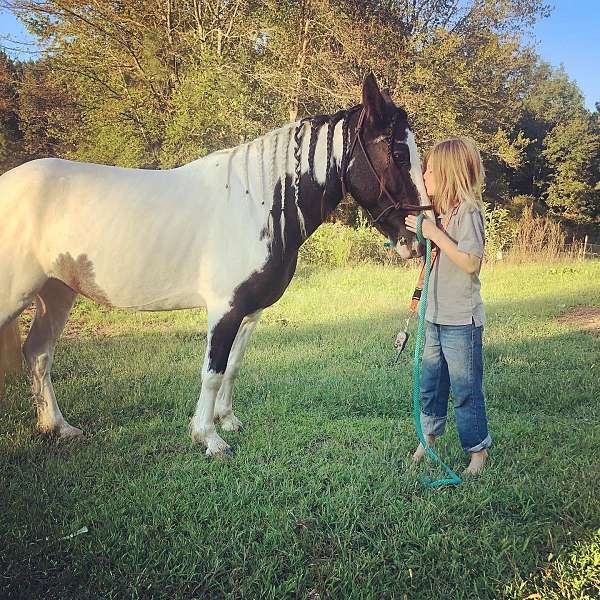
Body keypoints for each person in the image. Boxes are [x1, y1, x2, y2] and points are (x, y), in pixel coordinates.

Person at [404, 136, 491, 475]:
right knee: (431, 383)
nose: (423, 178)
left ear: (448, 174)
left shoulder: (468, 213)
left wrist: (435, 234)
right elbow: (435, 255)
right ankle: (428, 438)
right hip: (434, 316)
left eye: (428, 172)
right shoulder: (439, 216)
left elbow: (471, 263)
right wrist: (418, 242)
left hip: (461, 320)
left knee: (465, 388)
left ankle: (477, 451)